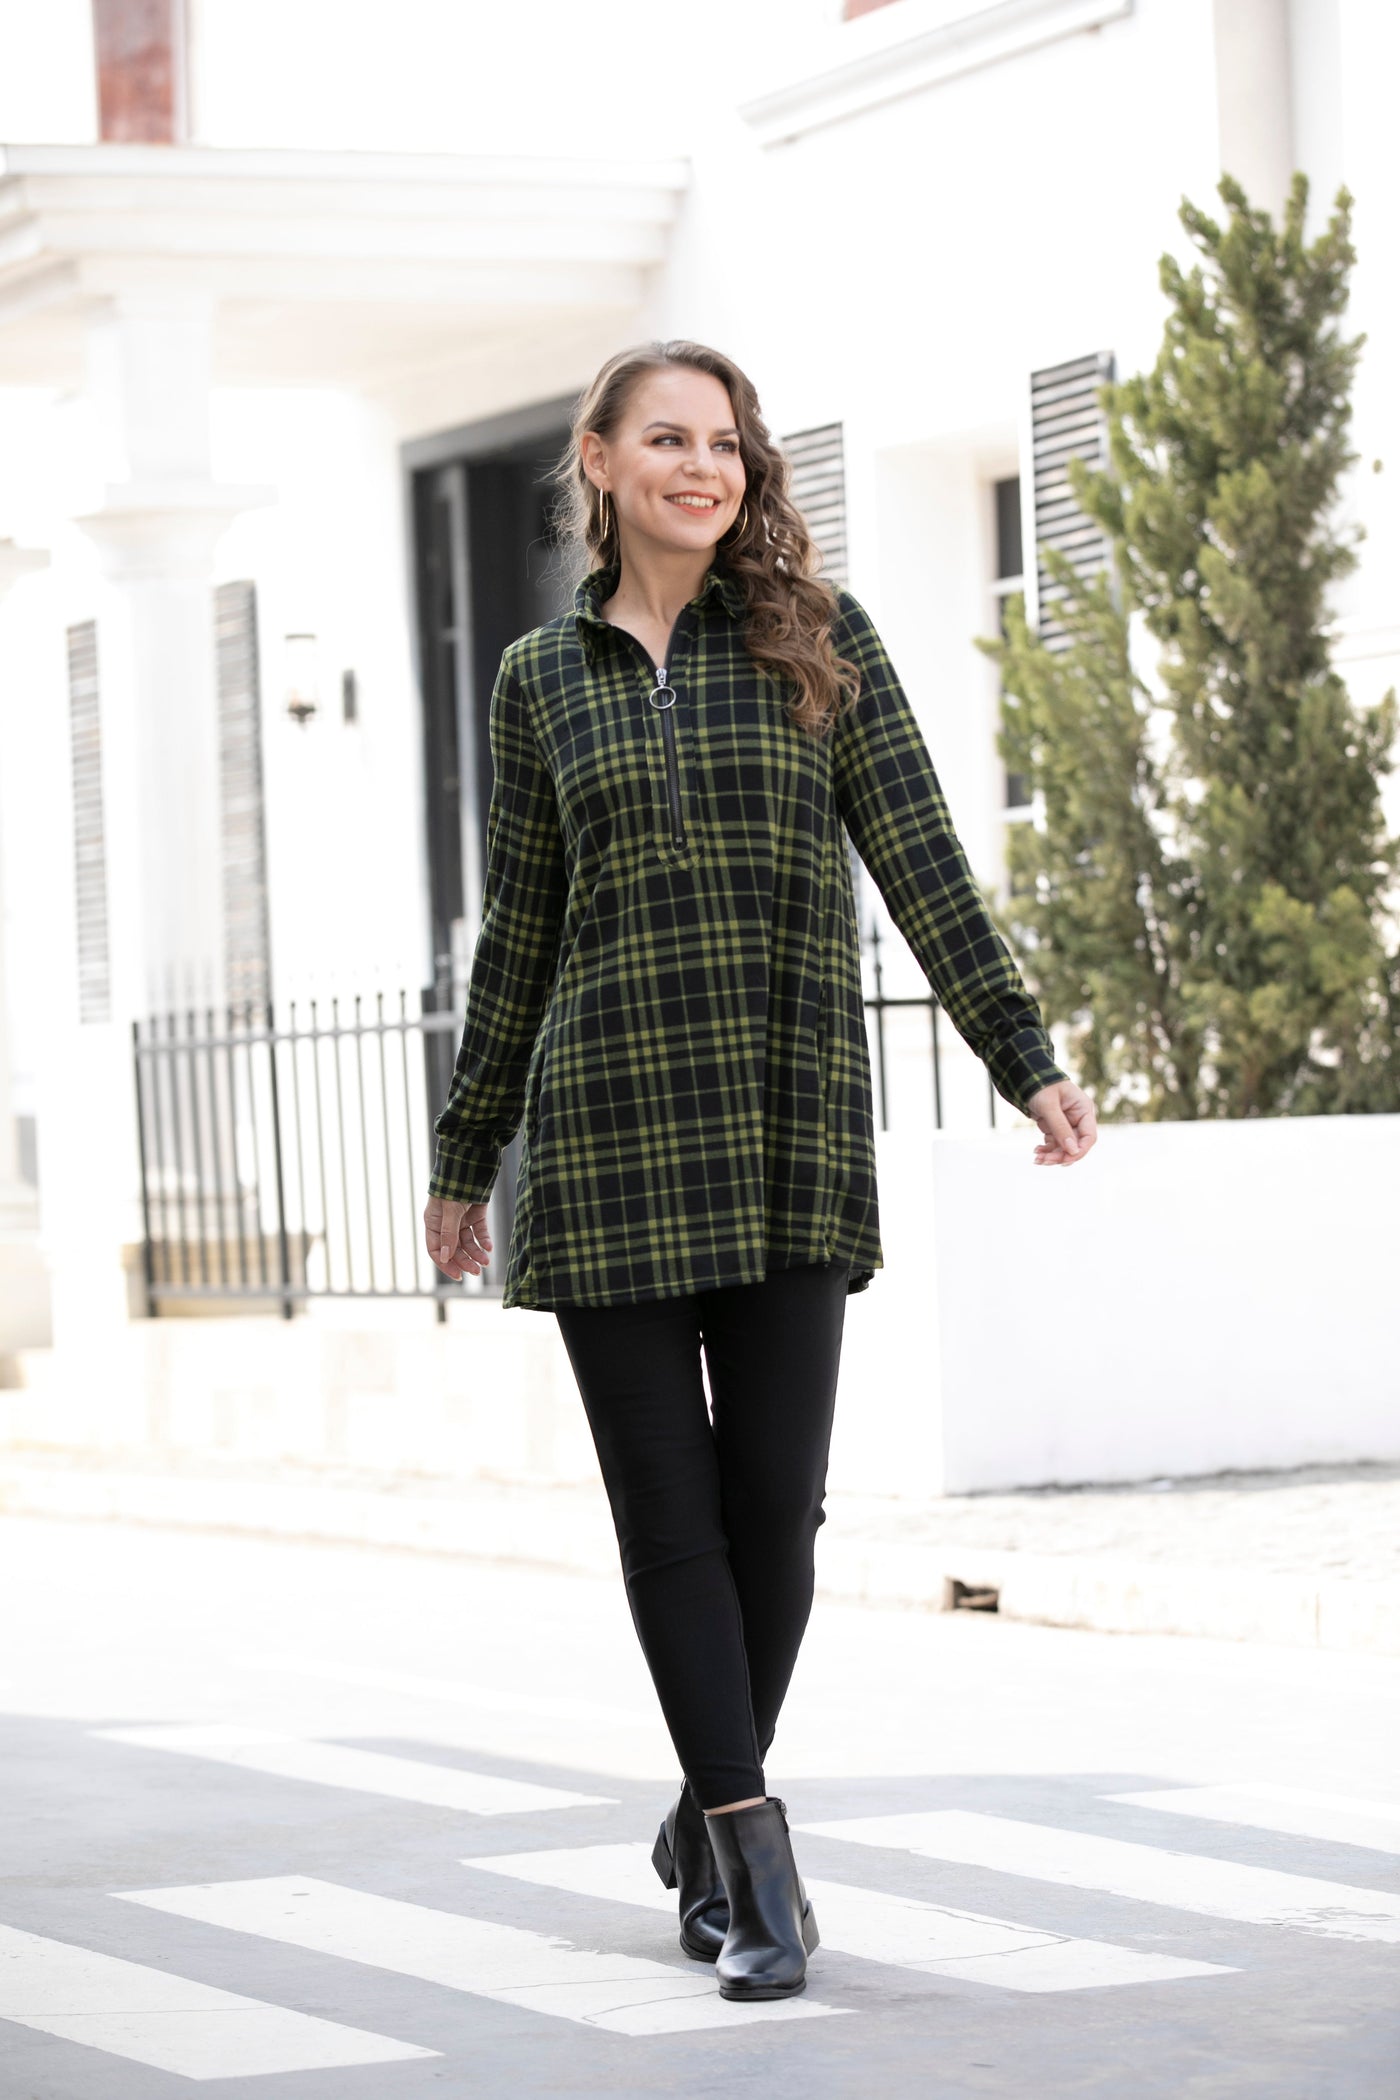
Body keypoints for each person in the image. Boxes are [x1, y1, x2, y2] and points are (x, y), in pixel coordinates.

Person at [423, 339, 1097, 2001]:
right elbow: (521, 932)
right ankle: (755, 1859)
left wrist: (1024, 1055)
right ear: (599, 458)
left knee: (775, 1517)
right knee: (670, 1522)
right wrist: (464, 1155)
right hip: (607, 1143)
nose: (703, 468)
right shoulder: (539, 679)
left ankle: (701, 1818)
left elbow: (924, 863)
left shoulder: (818, 641)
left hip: (787, 1131)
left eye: (724, 443)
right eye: (667, 439)